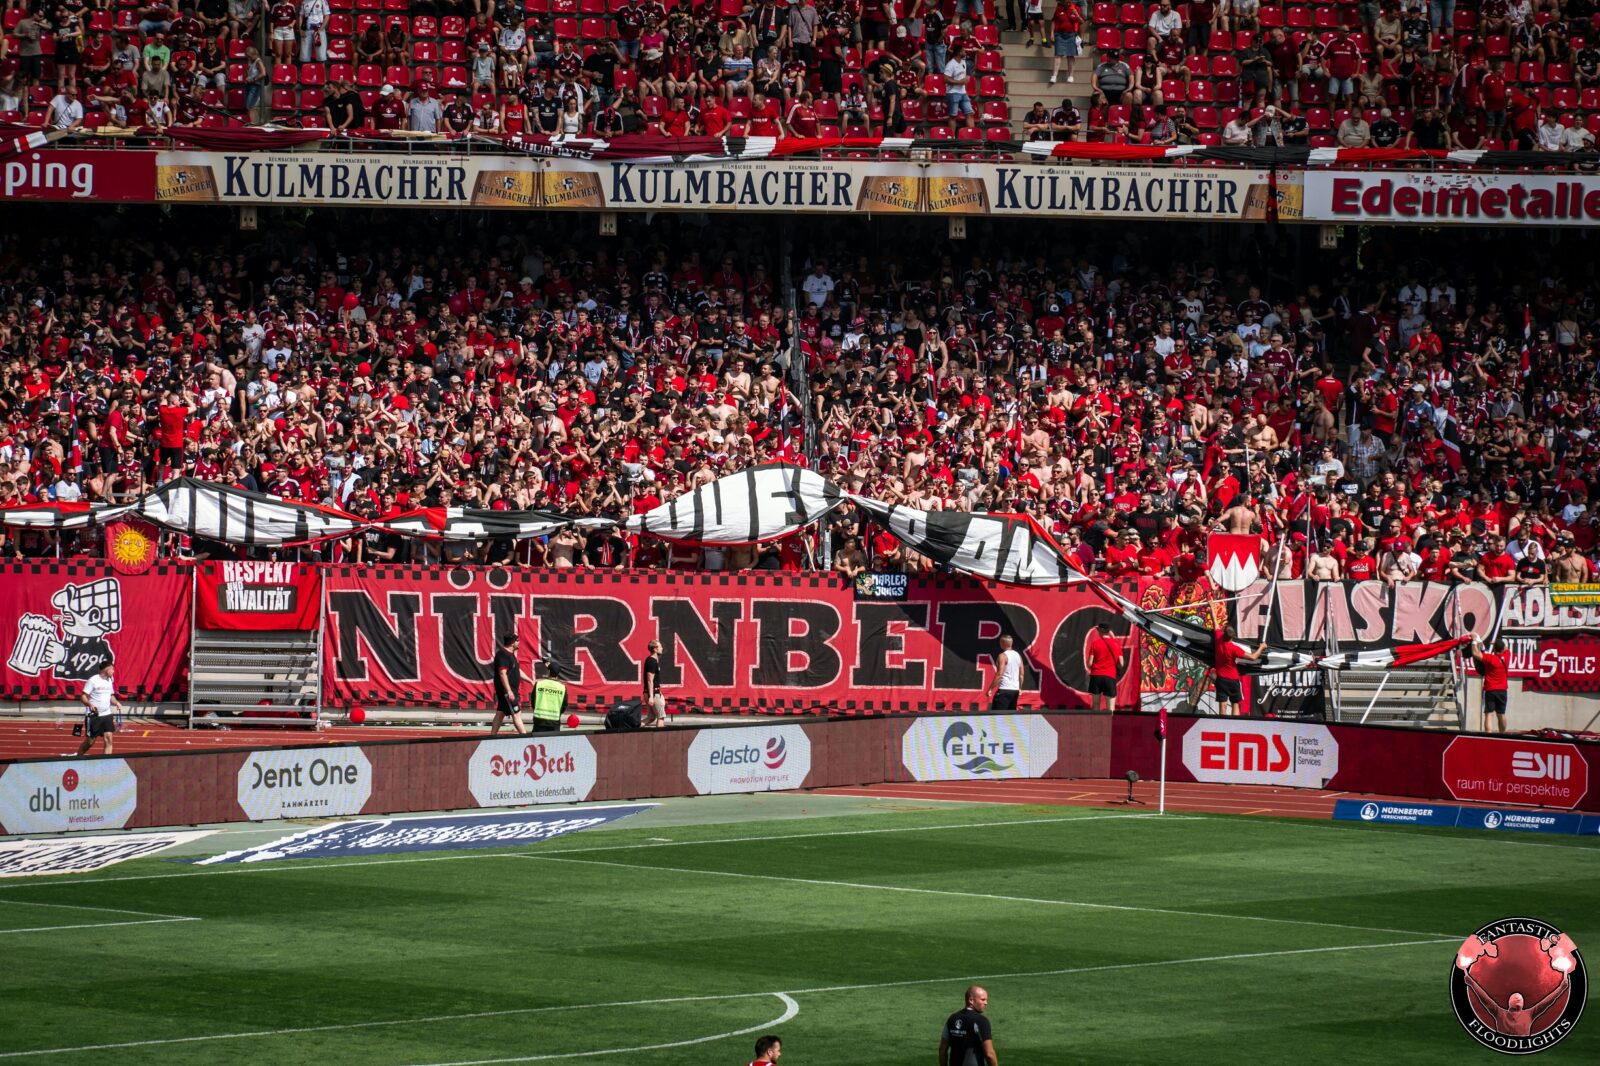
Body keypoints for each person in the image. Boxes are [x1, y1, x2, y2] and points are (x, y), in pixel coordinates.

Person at [1212, 624, 1267, 716]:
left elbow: (1215, 623)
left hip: (1221, 680)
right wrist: (1261, 647)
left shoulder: (1219, 640)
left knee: (1222, 705)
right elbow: (1253, 657)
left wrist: (1212, 609)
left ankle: (1222, 726)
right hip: (1233, 680)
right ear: (1233, 636)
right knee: (1235, 704)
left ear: (1223, 634)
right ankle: (1234, 725)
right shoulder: (1234, 648)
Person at [939, 985, 997, 1066]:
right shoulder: (981, 1020)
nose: (986, 1003)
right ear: (971, 1000)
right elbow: (989, 1054)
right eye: (983, 1000)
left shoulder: (952, 1018)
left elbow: (942, 1049)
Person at [76, 660, 123, 757]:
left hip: (107, 714)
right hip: (94, 715)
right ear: (107, 670)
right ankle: (78, 756)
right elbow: (83, 696)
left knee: (109, 737)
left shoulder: (110, 680)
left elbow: (111, 696)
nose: (114, 671)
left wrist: (117, 702)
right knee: (90, 741)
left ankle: (106, 762)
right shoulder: (93, 680)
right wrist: (89, 704)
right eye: (112, 669)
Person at [490, 632, 528, 736]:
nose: (519, 642)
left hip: (510, 690)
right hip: (507, 692)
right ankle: (525, 736)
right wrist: (509, 691)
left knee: (500, 713)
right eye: (517, 640)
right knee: (516, 713)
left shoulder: (510, 655)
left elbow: (517, 671)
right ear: (512, 643)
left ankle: (492, 736)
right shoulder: (503, 655)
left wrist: (530, 680)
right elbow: (502, 673)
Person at [1469, 635, 1509, 733]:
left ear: (1494, 649)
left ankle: (1489, 736)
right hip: (1502, 690)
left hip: (1490, 690)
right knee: (1501, 714)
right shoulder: (1507, 656)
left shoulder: (1490, 659)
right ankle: (1502, 735)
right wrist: (1496, 643)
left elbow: (1475, 653)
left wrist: (1474, 641)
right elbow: (1506, 648)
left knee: (1489, 714)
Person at [1085, 621, 1124, 712]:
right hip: (1110, 676)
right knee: (1110, 707)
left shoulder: (1095, 643)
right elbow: (1121, 663)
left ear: (1100, 631)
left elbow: (1089, 663)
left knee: (1096, 704)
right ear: (1108, 631)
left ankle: (1096, 724)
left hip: (1096, 676)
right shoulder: (1116, 644)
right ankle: (1110, 725)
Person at [988, 635, 1023, 711]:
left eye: (1000, 642)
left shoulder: (1003, 656)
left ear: (1003, 643)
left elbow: (1000, 674)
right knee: (1010, 717)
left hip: (1004, 690)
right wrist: (1020, 688)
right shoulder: (1018, 656)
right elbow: (1021, 675)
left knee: (997, 717)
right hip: (1015, 691)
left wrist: (990, 688)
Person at [641, 638, 667, 728]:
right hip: (652, 693)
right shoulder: (652, 661)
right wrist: (651, 697)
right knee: (661, 717)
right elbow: (649, 680)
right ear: (655, 649)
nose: (662, 648)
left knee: (651, 717)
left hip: (652, 692)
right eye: (660, 647)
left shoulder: (654, 660)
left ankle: (631, 729)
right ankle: (660, 739)